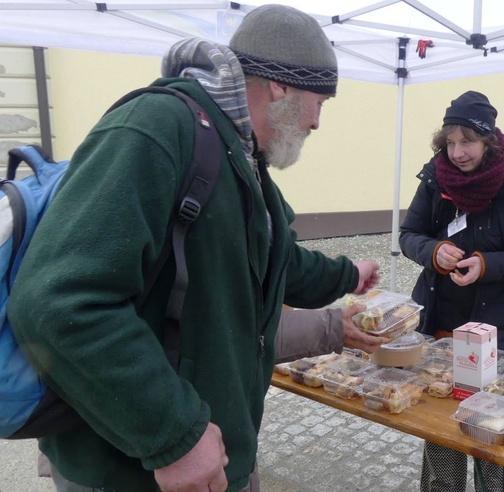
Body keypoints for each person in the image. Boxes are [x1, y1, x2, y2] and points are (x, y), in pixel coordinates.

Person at [8, 5, 380, 492]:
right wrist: (174, 434)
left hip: (211, 460)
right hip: (130, 470)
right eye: (320, 102)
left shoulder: (241, 154)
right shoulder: (156, 128)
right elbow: (58, 302)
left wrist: (348, 276)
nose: (316, 123)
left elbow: (276, 259)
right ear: (281, 85)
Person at [399, 90, 504, 491]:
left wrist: (486, 264)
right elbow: (409, 234)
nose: (457, 152)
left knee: (493, 440)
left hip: (500, 340)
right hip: (442, 332)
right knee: (442, 438)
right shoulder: (435, 179)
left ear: (489, 141)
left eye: (467, 141)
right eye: (449, 142)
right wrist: (433, 250)